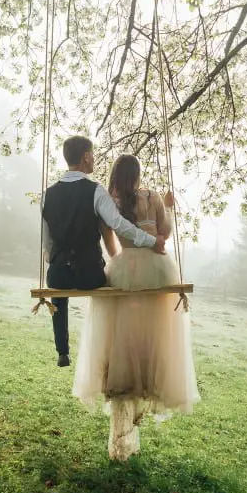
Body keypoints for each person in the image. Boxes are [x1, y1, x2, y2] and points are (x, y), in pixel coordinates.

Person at [72, 154, 199, 461]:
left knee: (122, 335)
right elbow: (164, 233)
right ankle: (151, 381)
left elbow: (111, 245)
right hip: (158, 268)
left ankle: (123, 386)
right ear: (138, 175)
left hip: (124, 268)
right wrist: (167, 206)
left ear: (115, 175)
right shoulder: (153, 196)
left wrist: (121, 261)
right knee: (155, 332)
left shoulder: (109, 202)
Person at [42, 136, 167, 367]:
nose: (95, 159)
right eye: (93, 155)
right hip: (89, 275)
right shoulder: (96, 191)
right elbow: (119, 224)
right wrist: (150, 240)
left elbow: (47, 240)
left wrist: (56, 258)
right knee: (111, 280)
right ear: (86, 157)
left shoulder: (48, 194)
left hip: (59, 273)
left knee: (57, 288)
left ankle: (62, 349)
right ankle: (116, 350)